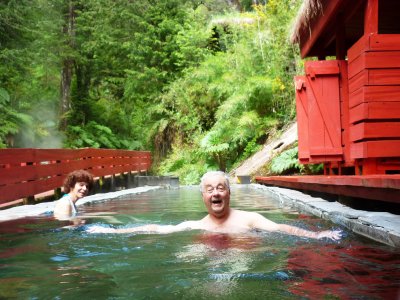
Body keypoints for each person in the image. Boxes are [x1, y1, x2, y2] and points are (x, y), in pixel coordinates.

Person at [87, 171, 342, 241]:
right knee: (186, 256)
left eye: (220, 188)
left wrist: (316, 234)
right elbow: (156, 229)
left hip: (242, 253)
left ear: (229, 193)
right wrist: (113, 232)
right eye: (209, 190)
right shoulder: (196, 225)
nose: (215, 193)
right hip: (207, 250)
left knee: (232, 264)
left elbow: (281, 229)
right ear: (203, 198)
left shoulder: (250, 219)